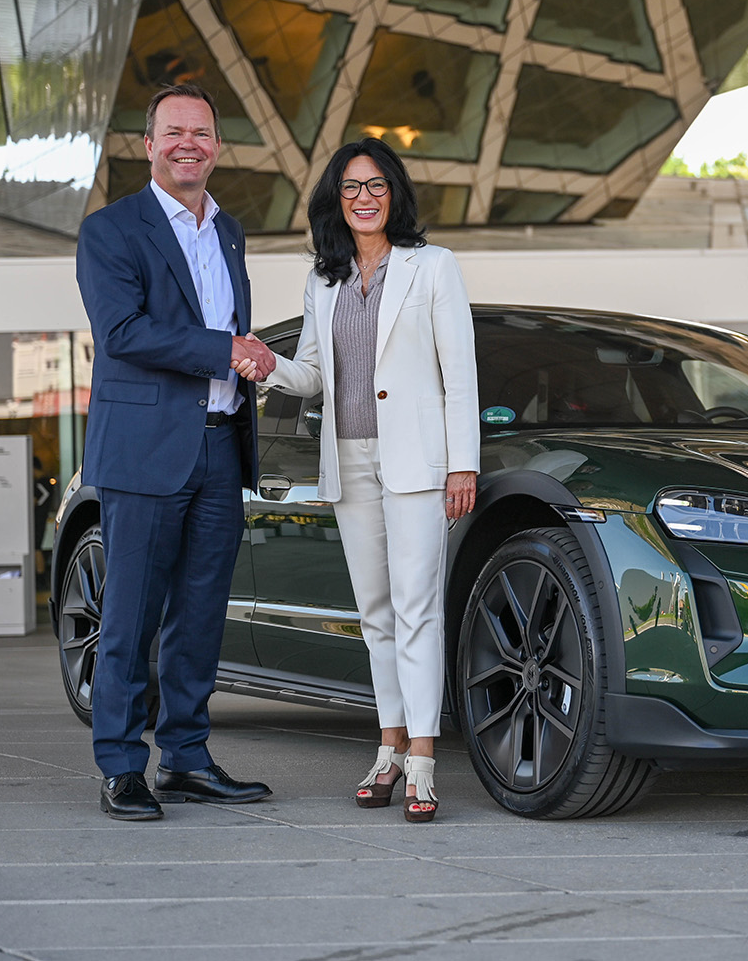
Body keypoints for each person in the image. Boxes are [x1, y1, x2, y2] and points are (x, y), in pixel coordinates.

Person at [234, 137, 479, 823]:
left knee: (416, 609)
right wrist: (266, 364)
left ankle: (424, 762)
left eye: (375, 186)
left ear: (393, 193)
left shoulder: (433, 268)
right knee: (375, 616)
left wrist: (465, 462)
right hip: (350, 461)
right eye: (350, 188)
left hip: (418, 464)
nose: (363, 198)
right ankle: (388, 748)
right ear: (334, 202)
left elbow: (458, 373)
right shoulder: (325, 278)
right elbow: (311, 373)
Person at [76, 82, 277, 821]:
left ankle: (186, 758)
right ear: (149, 145)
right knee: (130, 617)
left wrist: (243, 358)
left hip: (221, 448)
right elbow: (123, 332)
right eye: (174, 132)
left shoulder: (230, 230)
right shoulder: (111, 231)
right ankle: (122, 765)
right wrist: (226, 349)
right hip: (147, 452)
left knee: (199, 616)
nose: (189, 143)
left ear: (215, 145)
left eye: (202, 132)